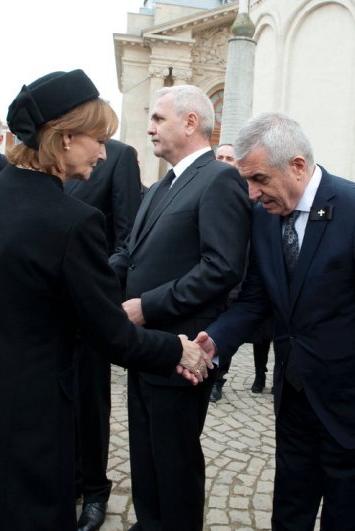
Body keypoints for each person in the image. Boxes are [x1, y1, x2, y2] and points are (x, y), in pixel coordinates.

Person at [0, 70, 212, 531]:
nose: (103, 152)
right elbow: (113, 335)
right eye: (97, 139)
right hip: (28, 421)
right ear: (63, 140)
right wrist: (178, 348)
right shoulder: (71, 221)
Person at [195, 112, 355, 531]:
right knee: (289, 514)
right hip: (294, 400)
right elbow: (257, 298)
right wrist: (217, 340)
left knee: (344, 519)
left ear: (297, 165)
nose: (253, 193)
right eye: (248, 181)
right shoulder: (264, 217)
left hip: (354, 414)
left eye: (259, 179)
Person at [109, 84, 251, 531]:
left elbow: (221, 267)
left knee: (175, 458)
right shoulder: (161, 185)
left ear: (190, 122)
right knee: (145, 449)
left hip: (181, 346)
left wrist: (146, 307)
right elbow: (128, 253)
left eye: (157, 118)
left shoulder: (219, 178)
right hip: (144, 345)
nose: (149, 128)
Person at [64, 138, 143, 531]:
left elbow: (127, 237)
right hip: (44, 310)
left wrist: (94, 284)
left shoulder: (117, 156)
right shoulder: (42, 159)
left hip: (91, 304)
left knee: (90, 402)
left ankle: (95, 491)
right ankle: (65, 482)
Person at [210, 142, 273, 400]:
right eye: (221, 156)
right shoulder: (209, 193)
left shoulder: (254, 199)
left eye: (230, 158)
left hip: (246, 276)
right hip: (216, 280)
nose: (225, 161)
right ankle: (215, 378)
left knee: (248, 334)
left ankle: (240, 376)